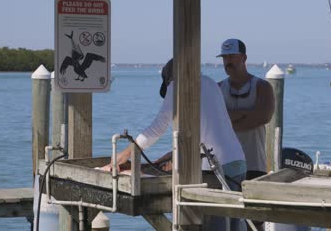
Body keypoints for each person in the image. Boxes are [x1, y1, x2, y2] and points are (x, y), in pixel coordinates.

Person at [101, 59, 247, 230]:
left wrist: (122, 156)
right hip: (238, 162)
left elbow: (156, 128)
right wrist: (156, 163)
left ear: (170, 79)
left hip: (215, 169)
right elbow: (203, 137)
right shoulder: (211, 84)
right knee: (236, 226)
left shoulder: (177, 85)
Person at [216, 38, 275, 180]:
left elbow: (263, 117)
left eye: (232, 56)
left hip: (254, 164)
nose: (228, 61)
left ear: (244, 58)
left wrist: (227, 122)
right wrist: (245, 114)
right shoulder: (217, 89)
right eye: (225, 57)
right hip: (225, 164)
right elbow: (214, 122)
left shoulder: (262, 87)